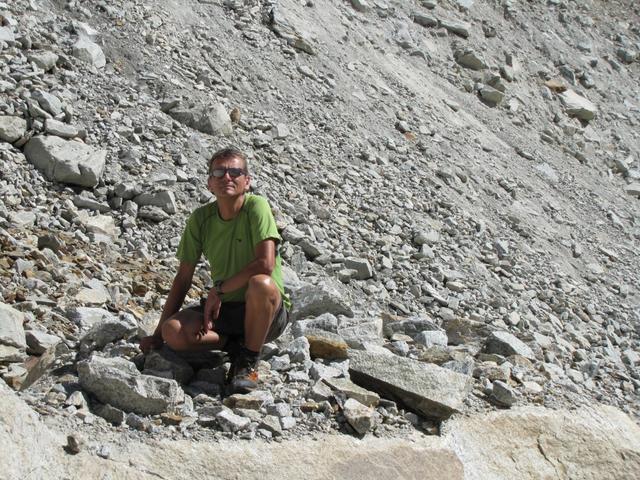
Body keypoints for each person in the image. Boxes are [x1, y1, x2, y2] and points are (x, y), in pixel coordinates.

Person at [139, 147, 290, 393]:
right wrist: (158, 334)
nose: (226, 178)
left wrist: (218, 290)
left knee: (261, 283)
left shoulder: (256, 208)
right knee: (174, 332)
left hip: (267, 312)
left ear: (247, 181)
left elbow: (265, 263)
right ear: (209, 182)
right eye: (218, 172)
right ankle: (234, 345)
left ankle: (247, 361)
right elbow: (183, 277)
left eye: (234, 172)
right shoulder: (201, 219)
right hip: (226, 312)